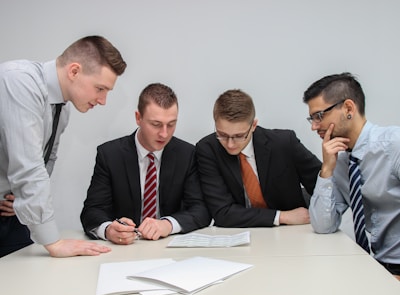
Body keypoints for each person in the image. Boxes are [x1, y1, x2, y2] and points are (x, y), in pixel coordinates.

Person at [0, 35, 127, 257]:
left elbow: (46, 160)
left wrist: (22, 199)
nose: (103, 100)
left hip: (13, 216)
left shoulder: (62, 108)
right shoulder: (18, 81)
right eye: (100, 88)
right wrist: (54, 242)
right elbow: (28, 169)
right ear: (74, 71)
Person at [80, 83, 211, 244]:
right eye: (155, 124)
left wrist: (167, 224)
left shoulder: (187, 154)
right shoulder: (110, 155)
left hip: (168, 247)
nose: (164, 133)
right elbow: (92, 211)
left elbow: (201, 210)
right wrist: (109, 230)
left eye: (171, 124)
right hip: (124, 250)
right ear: (138, 118)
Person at [303, 72, 400, 280]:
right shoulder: (340, 160)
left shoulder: (394, 145)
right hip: (374, 267)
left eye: (319, 116)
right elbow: (323, 226)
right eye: (311, 118)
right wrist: (327, 170)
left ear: (348, 108)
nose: (313, 126)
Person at [195, 89, 321, 228]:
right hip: (238, 233)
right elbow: (223, 213)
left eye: (239, 136)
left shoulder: (284, 143)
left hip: (292, 233)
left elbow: (322, 187)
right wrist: (282, 216)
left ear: (253, 125)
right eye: (222, 134)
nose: (230, 144)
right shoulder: (208, 149)